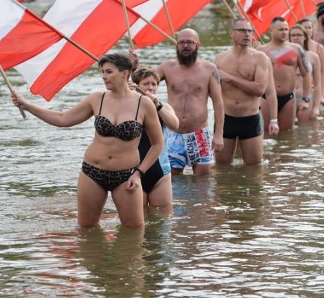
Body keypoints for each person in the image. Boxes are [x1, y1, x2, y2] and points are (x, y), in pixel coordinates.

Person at [11, 53, 163, 228]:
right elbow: (63, 119)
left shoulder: (144, 104)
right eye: (103, 72)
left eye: (108, 72)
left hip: (127, 176)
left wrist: (138, 173)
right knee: (87, 230)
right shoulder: (97, 98)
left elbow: (157, 144)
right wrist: (27, 106)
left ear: (124, 73)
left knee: (134, 231)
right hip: (92, 172)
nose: (103, 77)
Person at [156, 28, 224, 175]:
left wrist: (218, 134)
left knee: (204, 183)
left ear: (197, 45)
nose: (185, 46)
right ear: (177, 46)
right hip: (174, 134)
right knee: (172, 182)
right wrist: (133, 67)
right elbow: (145, 82)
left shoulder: (209, 69)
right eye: (181, 42)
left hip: (200, 135)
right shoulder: (167, 67)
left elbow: (218, 103)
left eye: (189, 42)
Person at [214, 19, 276, 165]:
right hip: (225, 119)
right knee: (222, 169)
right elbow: (212, 91)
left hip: (250, 118)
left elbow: (259, 90)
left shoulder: (260, 58)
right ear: (232, 33)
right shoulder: (220, 58)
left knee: (254, 169)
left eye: (250, 31)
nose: (247, 34)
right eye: (242, 31)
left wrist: (230, 78)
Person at [131, 67, 179, 207]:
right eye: (146, 84)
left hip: (160, 171)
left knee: (163, 218)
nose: (150, 88)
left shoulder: (164, 107)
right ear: (136, 86)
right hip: (134, 171)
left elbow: (175, 125)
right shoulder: (129, 107)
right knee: (140, 219)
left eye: (154, 84)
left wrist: (157, 105)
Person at [258, 17, 311, 131]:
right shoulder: (261, 51)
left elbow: (306, 74)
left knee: (287, 134)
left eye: (286, 29)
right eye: (281, 29)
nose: (285, 32)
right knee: (267, 133)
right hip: (266, 97)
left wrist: (306, 98)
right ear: (271, 30)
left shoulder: (296, 49)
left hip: (288, 97)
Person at [289, 25, 322, 122]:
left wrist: (316, 107)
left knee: (305, 131)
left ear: (305, 37)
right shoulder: (282, 56)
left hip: (305, 97)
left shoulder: (313, 57)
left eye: (299, 35)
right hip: (288, 99)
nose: (295, 38)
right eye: (293, 35)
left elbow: (317, 83)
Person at [297, 18, 324, 103]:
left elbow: (323, 72)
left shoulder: (319, 47)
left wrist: (321, 94)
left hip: (313, 88)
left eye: (309, 27)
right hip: (297, 89)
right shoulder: (293, 47)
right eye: (305, 28)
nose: (308, 30)